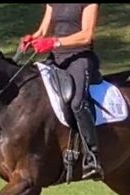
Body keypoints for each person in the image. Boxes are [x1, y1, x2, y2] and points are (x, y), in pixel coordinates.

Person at [20, 3, 104, 181]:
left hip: (80, 57)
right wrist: (32, 38)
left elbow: (87, 35)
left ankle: (92, 157)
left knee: (77, 102)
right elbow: (43, 30)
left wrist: (54, 42)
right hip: (56, 58)